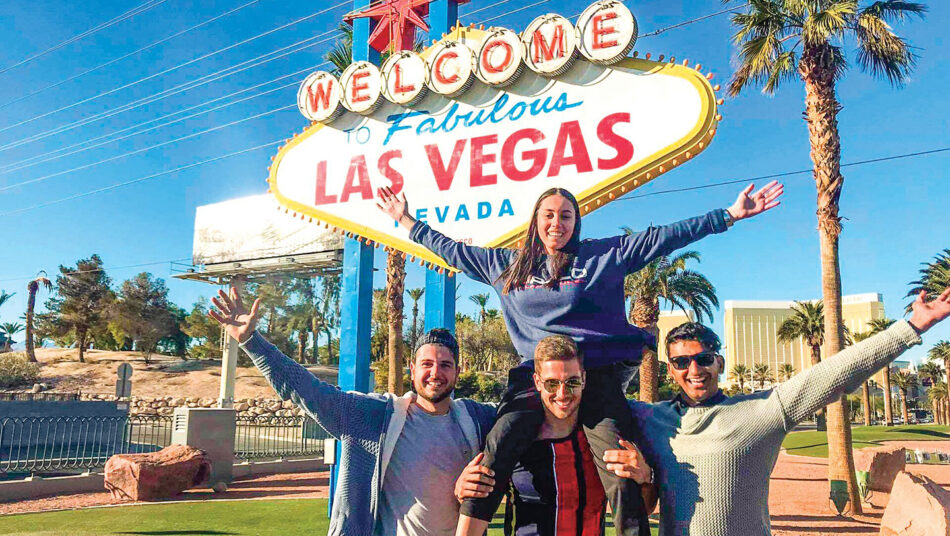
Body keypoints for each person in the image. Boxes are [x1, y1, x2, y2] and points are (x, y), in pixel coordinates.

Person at [377, 182, 784, 535]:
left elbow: (664, 237)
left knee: (620, 464)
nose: (557, 224)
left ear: (577, 221)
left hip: (595, 375)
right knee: (498, 447)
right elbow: (449, 250)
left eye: (566, 215)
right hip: (533, 378)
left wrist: (728, 215)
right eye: (549, 215)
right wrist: (406, 221)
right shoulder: (505, 265)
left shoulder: (601, 257)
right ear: (536, 220)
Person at [599, 286, 950, 535]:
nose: (694, 369)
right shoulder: (649, 418)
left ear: (719, 362)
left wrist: (912, 327)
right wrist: (645, 476)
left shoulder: (763, 409)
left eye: (704, 359)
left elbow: (834, 373)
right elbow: (596, 400)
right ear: (670, 368)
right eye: (681, 362)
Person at [208, 287, 496, 536]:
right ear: (412, 370)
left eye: (446, 365)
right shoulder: (371, 416)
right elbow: (305, 389)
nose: (436, 373)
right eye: (427, 364)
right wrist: (251, 341)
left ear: (458, 372)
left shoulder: (477, 420)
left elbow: (524, 414)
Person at [455, 335, 657, 535]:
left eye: (572, 382)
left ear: (584, 380)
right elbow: (476, 500)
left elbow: (644, 509)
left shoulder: (603, 442)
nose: (562, 394)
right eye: (552, 383)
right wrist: (462, 487)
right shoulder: (515, 439)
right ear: (537, 382)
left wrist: (646, 478)